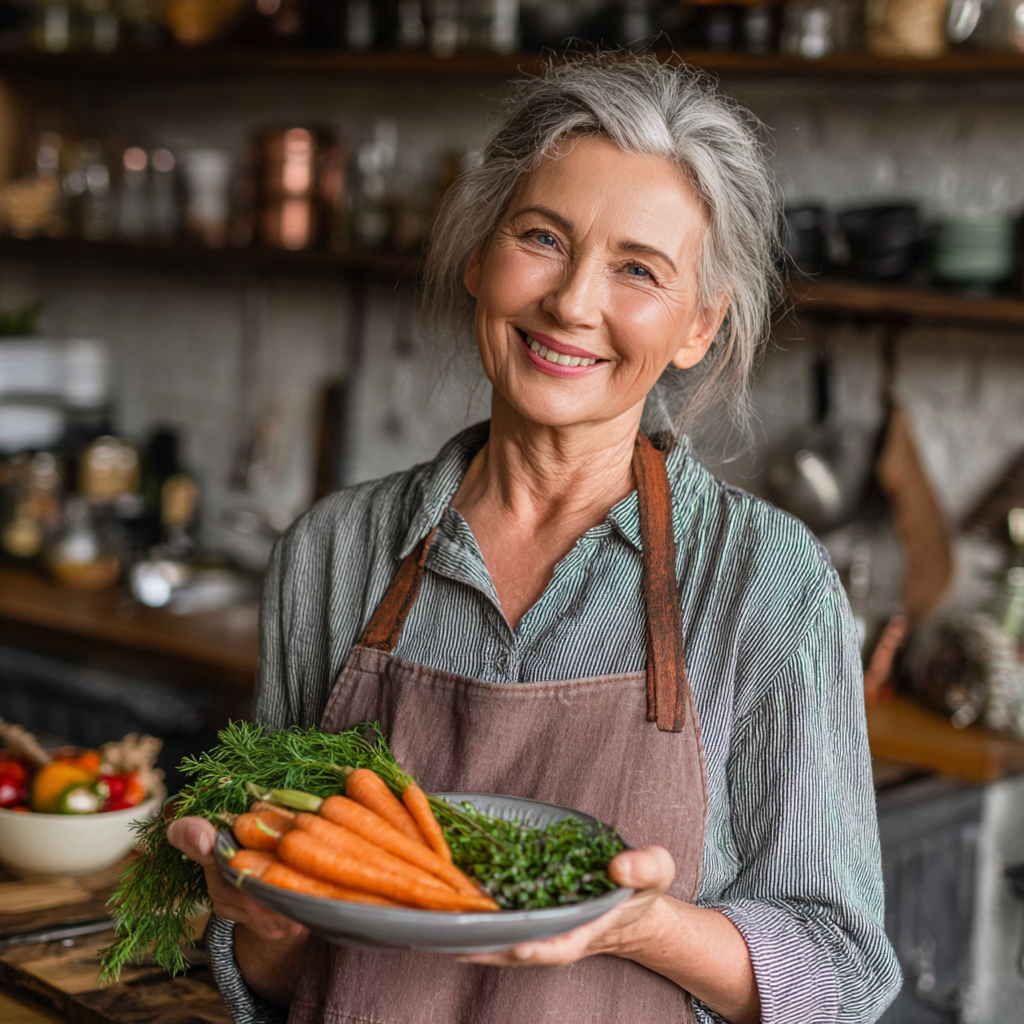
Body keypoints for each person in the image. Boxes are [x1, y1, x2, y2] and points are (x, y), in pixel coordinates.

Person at [170, 55, 901, 1024]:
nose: (570, 303)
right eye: (542, 238)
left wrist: (642, 925)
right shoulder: (336, 551)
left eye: (638, 269)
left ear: (698, 324)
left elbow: (842, 973)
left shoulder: (766, 580)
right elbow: (269, 965)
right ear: (479, 256)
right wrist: (258, 914)